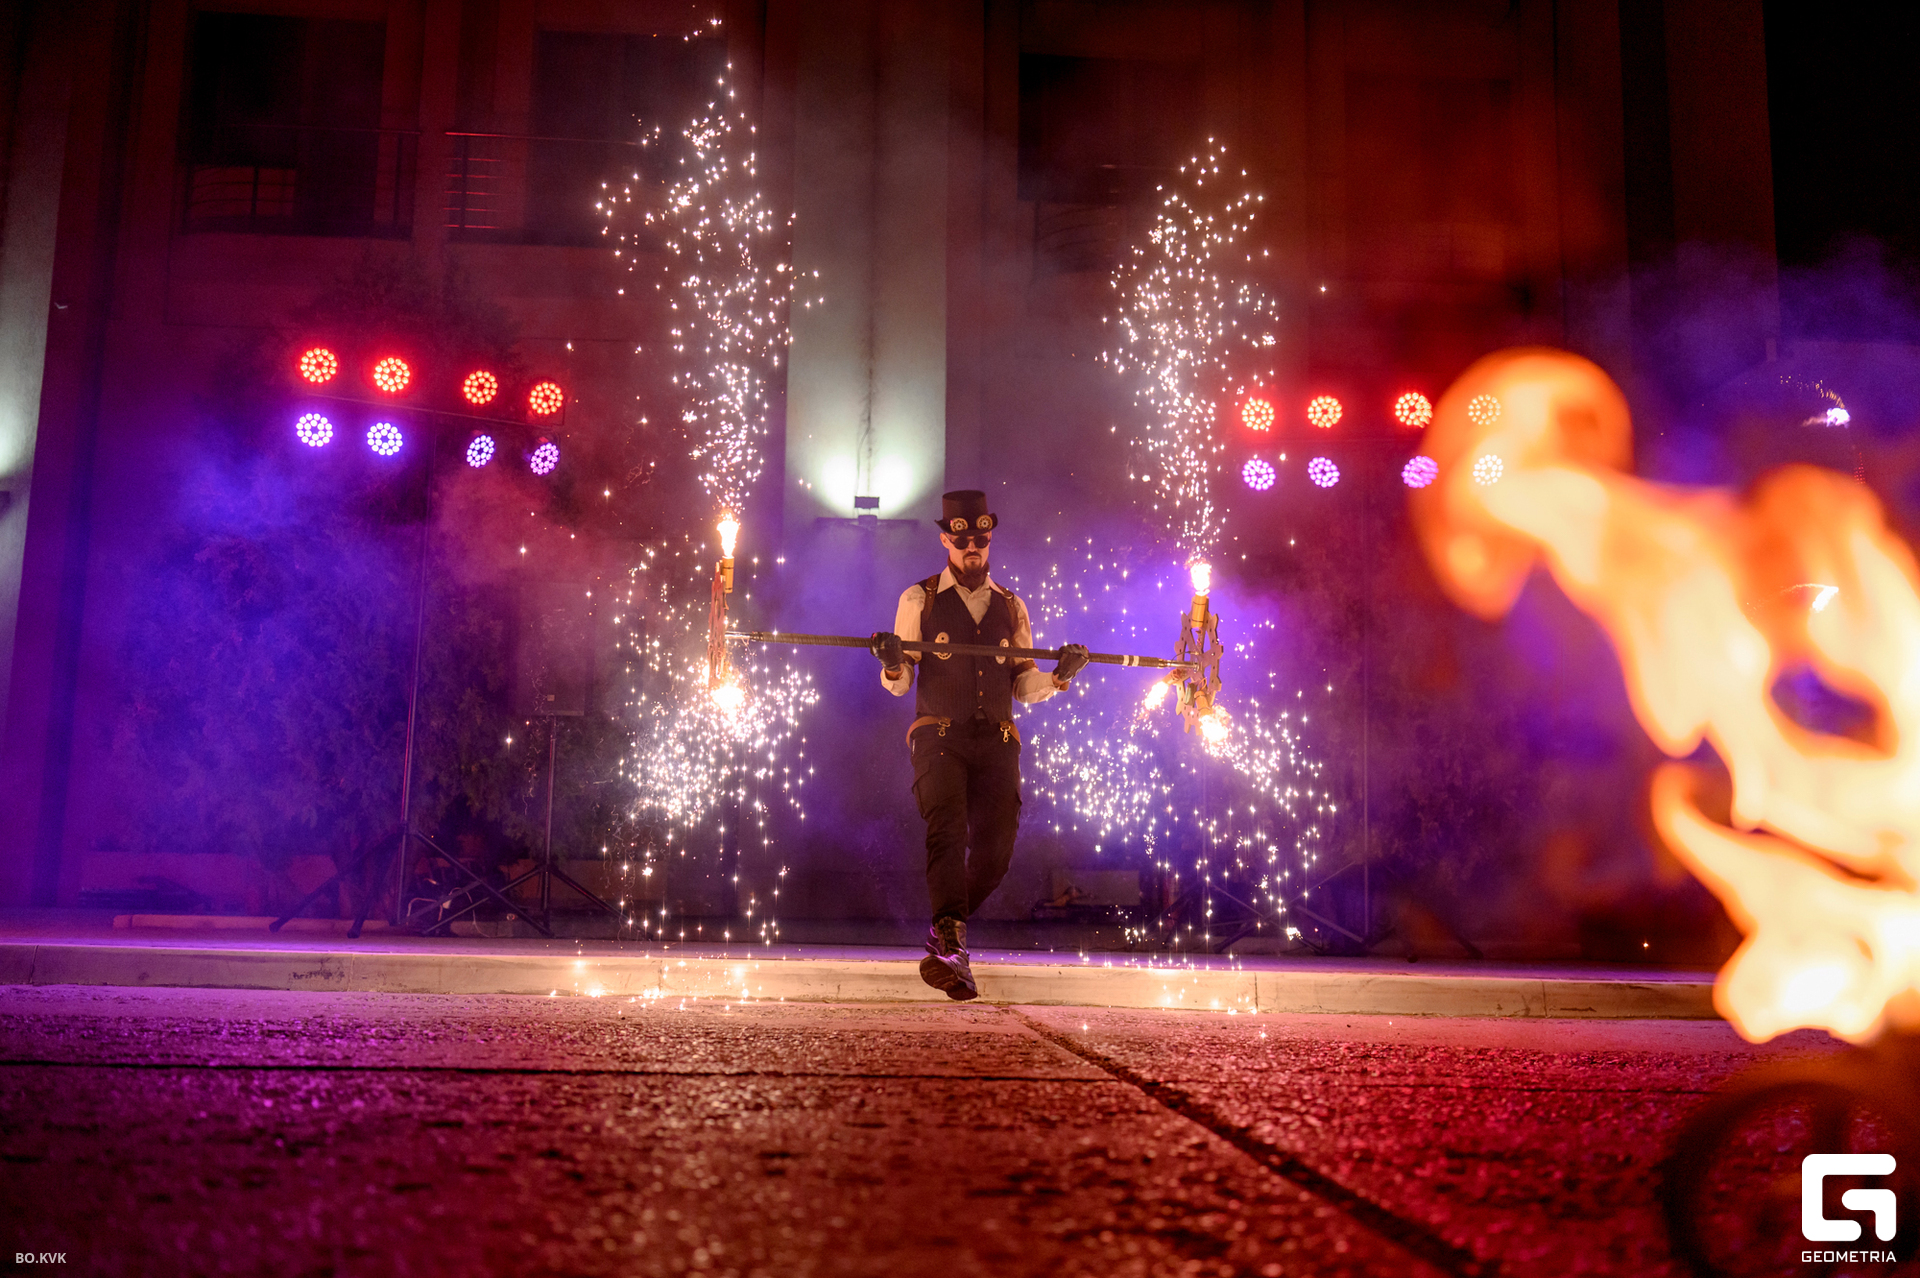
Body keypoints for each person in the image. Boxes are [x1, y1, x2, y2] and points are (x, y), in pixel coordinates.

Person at [870, 490, 1089, 999]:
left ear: (989, 541)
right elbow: (902, 683)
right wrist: (893, 663)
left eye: (981, 540)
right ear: (946, 540)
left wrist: (1059, 677)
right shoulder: (919, 599)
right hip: (939, 735)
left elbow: (1023, 684)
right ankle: (953, 948)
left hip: (997, 738)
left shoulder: (1012, 605)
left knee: (995, 853)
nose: (972, 547)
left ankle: (943, 932)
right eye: (963, 539)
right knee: (946, 831)